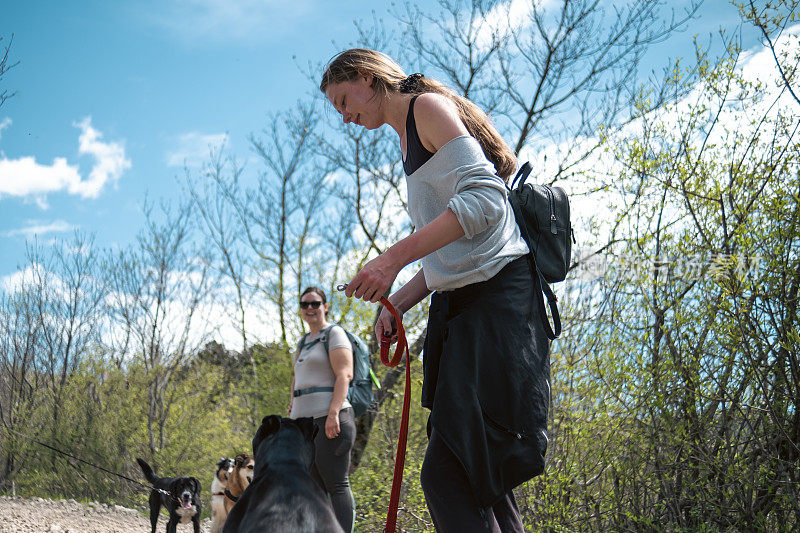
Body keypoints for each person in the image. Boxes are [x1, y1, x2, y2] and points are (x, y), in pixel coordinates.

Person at [320, 49, 550, 532]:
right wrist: (397, 304)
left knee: (449, 476)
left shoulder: (425, 108)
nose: (345, 117)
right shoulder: (407, 136)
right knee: (480, 475)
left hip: (497, 306)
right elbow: (453, 248)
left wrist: (391, 259)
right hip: (463, 306)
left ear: (366, 77)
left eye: (344, 100)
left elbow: (487, 202)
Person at [288, 286, 356, 532]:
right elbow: (298, 380)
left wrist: (333, 413)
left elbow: (344, 375)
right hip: (304, 427)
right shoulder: (303, 342)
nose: (309, 309)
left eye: (315, 304)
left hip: (330, 420)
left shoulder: (334, 334)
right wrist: (292, 407)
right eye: (304, 304)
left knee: (336, 485)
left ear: (325, 307)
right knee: (312, 487)